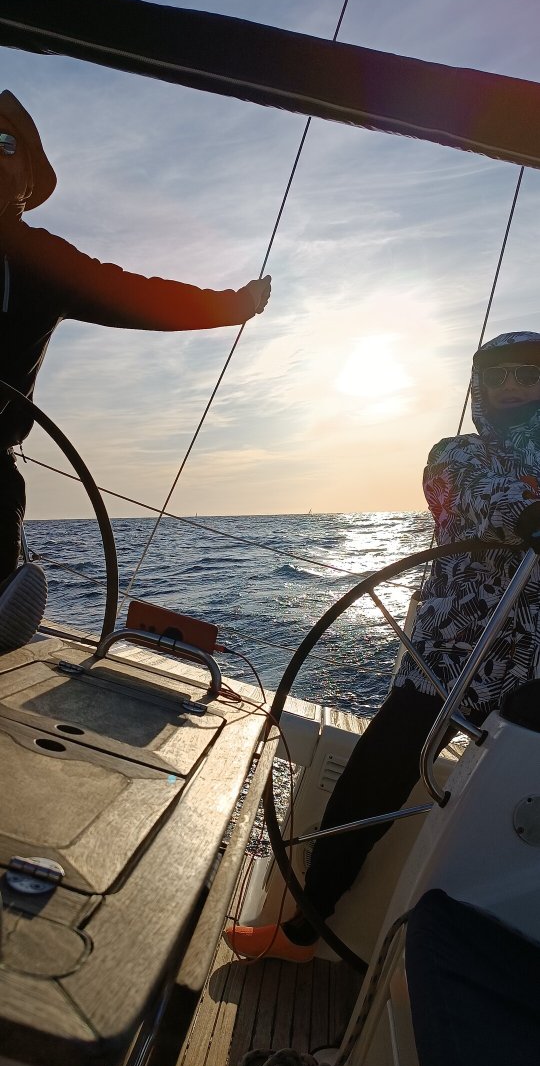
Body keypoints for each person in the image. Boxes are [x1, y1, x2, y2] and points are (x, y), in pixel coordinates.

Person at [225, 329, 540, 962]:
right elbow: (475, 504)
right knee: (371, 781)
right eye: (498, 375)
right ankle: (304, 929)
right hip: (447, 656)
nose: (512, 387)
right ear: (478, 387)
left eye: (528, 375)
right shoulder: (454, 455)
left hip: (531, 668)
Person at [0, 89, 271, 643]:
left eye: (5, 143)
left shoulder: (43, 262)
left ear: (28, 180)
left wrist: (231, 305)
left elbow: (134, 294)